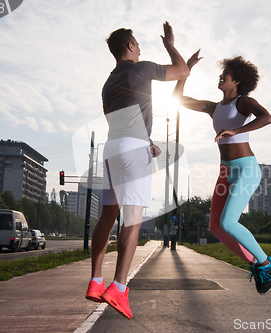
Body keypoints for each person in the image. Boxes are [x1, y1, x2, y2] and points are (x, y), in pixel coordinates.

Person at [85, 22, 189, 319]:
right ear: (130, 46)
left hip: (112, 148)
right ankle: (118, 287)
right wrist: (170, 45)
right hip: (133, 150)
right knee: (132, 218)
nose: (141, 48)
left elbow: (122, 120)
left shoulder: (108, 83)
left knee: (108, 214)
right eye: (138, 44)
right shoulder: (142, 68)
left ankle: (95, 281)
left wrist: (148, 142)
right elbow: (182, 71)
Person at [173, 50, 271, 295]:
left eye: (225, 75)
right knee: (216, 227)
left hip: (246, 169)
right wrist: (185, 71)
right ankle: (256, 264)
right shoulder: (214, 108)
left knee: (229, 222)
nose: (220, 78)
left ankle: (267, 262)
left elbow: (267, 118)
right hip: (225, 172)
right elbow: (177, 98)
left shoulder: (242, 102)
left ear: (237, 80)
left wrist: (236, 131)